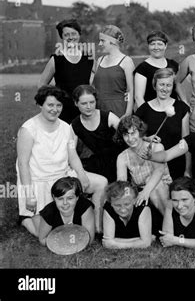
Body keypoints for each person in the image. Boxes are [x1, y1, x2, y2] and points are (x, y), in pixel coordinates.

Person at [16, 85, 107, 235]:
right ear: (40, 105)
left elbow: (72, 155)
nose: (55, 109)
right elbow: (22, 164)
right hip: (39, 181)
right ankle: (25, 218)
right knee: (46, 233)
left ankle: (97, 226)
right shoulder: (28, 129)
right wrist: (29, 194)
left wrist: (81, 174)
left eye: (59, 105)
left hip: (63, 177)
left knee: (101, 183)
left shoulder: (66, 127)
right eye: (50, 105)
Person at [135, 68, 190, 180]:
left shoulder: (182, 108)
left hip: (176, 164)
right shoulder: (143, 110)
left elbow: (185, 143)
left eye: (168, 85)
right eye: (161, 84)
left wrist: (187, 170)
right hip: (152, 165)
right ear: (155, 85)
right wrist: (146, 138)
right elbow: (135, 139)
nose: (165, 89)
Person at [38, 19, 93, 123]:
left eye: (74, 34)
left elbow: (92, 85)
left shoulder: (88, 58)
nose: (71, 37)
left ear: (79, 35)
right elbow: (41, 85)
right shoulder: (56, 59)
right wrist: (52, 103)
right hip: (63, 112)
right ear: (62, 37)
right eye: (66, 35)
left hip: (85, 111)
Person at [114, 115, 170, 216]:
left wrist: (145, 192)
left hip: (162, 188)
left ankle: (170, 222)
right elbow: (122, 182)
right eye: (126, 135)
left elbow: (159, 172)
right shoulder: (122, 157)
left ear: (140, 131)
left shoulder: (156, 147)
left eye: (133, 133)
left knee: (155, 188)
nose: (130, 138)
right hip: (140, 192)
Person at [71, 85, 122, 183]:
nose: (89, 107)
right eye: (84, 103)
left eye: (92, 102)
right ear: (76, 103)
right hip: (99, 163)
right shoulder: (74, 126)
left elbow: (128, 133)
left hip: (119, 160)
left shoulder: (108, 117)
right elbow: (71, 153)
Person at [159, 177, 195, 249]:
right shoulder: (170, 205)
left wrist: (176, 240)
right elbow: (167, 239)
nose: (179, 206)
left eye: (184, 199)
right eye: (175, 200)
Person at [92, 25, 134, 118]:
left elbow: (130, 90)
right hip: (100, 109)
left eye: (103, 41)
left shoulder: (126, 61)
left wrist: (128, 112)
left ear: (113, 42)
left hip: (119, 110)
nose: (100, 44)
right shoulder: (99, 60)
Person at [38, 177, 95, 245]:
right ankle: (25, 221)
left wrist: (67, 243)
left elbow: (89, 239)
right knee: (36, 230)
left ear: (77, 197)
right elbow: (42, 239)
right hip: (51, 225)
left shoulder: (85, 207)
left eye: (70, 198)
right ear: (54, 198)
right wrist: (63, 245)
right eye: (60, 199)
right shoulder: (48, 212)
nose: (65, 203)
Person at [134, 31, 180, 108]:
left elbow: (179, 89)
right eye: (152, 44)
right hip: (151, 112)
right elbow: (139, 98)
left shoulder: (174, 65)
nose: (156, 47)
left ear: (165, 46)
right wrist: (148, 115)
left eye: (160, 44)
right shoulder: (142, 68)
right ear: (148, 46)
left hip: (172, 111)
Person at [102, 181, 154, 249]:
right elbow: (107, 242)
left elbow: (146, 243)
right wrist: (139, 240)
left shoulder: (142, 206)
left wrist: (115, 243)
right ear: (111, 203)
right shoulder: (108, 207)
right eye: (117, 205)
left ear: (134, 200)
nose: (123, 209)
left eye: (127, 204)